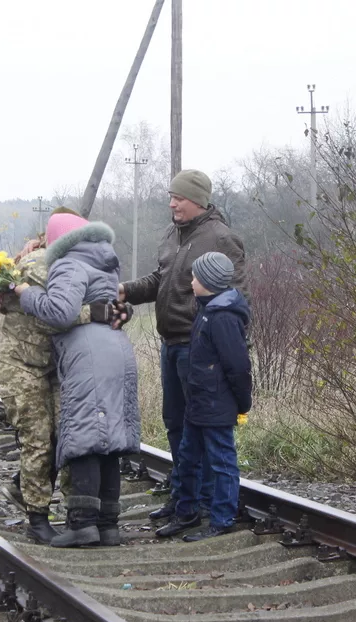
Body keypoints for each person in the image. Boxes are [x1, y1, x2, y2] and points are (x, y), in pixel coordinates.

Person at [118, 169, 246, 521]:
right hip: (170, 343)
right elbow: (162, 279)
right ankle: (185, 494)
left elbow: (235, 298)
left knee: (201, 426)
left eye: (179, 197)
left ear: (198, 200)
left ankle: (206, 500)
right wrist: (125, 290)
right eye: (170, 196)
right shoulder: (171, 234)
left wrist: (217, 346)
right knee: (176, 423)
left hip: (200, 349)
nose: (172, 203)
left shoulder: (221, 239)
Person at [0, 207, 120, 544]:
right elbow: (55, 313)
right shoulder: (37, 266)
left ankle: (76, 515)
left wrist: (117, 306)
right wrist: (93, 312)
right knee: (38, 439)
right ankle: (37, 517)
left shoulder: (74, 263)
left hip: (57, 365)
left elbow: (99, 296)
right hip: (21, 365)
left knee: (68, 437)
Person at [17, 214, 140, 548]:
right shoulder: (104, 262)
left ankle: (83, 523)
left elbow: (60, 312)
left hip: (88, 354)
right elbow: (116, 306)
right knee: (109, 442)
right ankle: (108, 525)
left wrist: (25, 294)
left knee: (88, 438)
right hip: (117, 350)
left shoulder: (69, 264)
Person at [156, 252, 251, 541]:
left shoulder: (222, 317)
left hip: (216, 403)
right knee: (188, 456)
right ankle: (187, 511)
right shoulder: (206, 309)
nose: (191, 280)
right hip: (198, 401)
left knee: (221, 461)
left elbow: (238, 365)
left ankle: (222, 519)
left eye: (196, 276)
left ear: (208, 282)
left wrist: (242, 402)